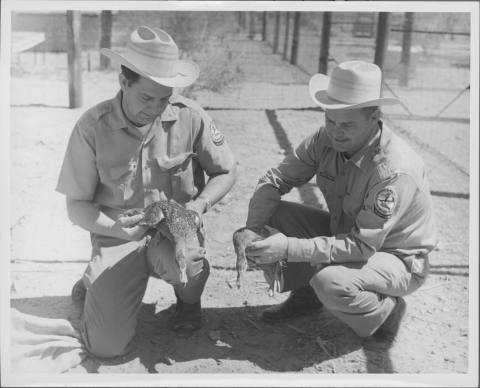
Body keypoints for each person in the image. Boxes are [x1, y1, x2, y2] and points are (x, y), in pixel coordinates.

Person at [56, 26, 238, 358]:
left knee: (192, 266)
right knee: (106, 348)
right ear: (124, 82)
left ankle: (188, 302)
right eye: (146, 97)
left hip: (173, 232)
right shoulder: (91, 128)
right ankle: (94, 283)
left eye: (164, 98)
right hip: (118, 238)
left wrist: (198, 206)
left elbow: (226, 171)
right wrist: (112, 228)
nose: (156, 108)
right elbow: (75, 206)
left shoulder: (190, 117)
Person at [246, 61, 436, 351]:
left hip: (395, 257)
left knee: (331, 283)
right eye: (330, 121)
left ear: (374, 117)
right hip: (347, 234)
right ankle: (306, 297)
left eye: (347, 124)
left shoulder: (394, 170)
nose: (335, 132)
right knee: (272, 210)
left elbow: (362, 246)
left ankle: (387, 314)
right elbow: (274, 181)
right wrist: (251, 231)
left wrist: (287, 248)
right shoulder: (324, 139)